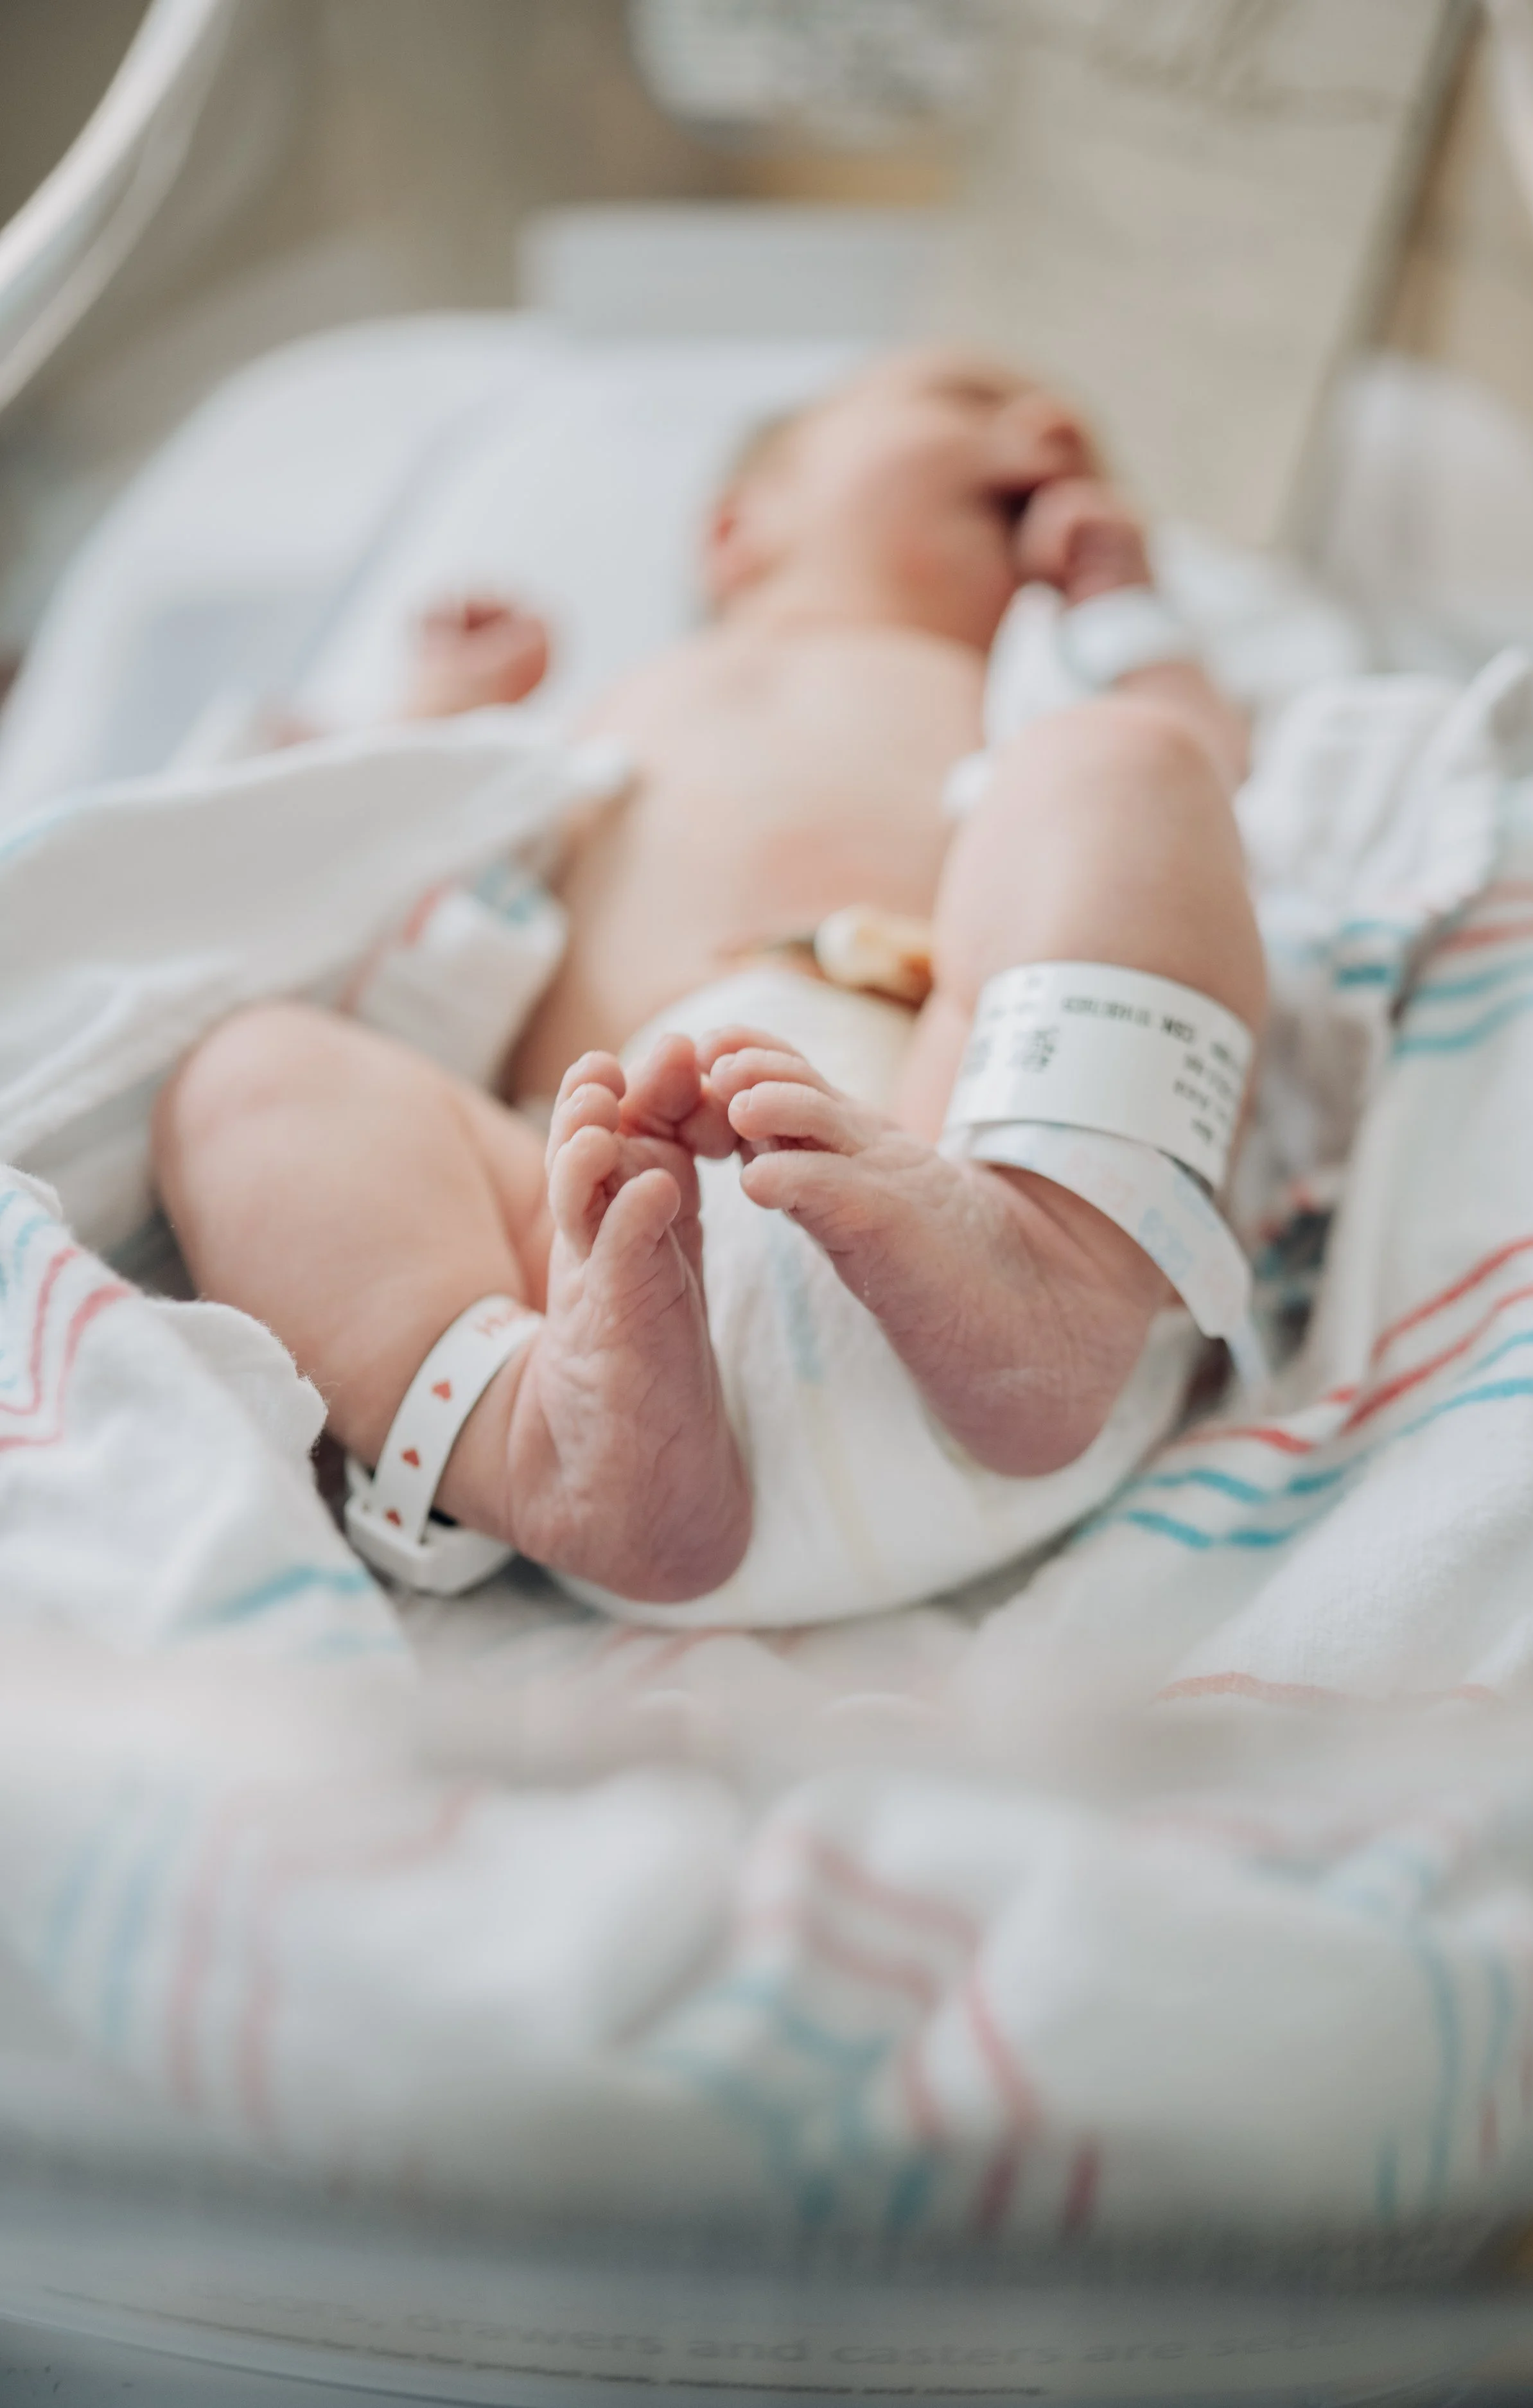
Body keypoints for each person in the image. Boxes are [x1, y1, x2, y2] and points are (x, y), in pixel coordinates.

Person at [152, 348, 1265, 1608]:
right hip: (599, 1294)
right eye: (965, 404)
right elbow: (351, 830)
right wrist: (437, 711)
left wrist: (1124, 617)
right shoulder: (598, 712)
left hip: (958, 1172)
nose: (1050, 427)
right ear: (740, 531)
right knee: (245, 1073)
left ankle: (1057, 1259)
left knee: (1123, 763)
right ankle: (525, 1440)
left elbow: (1209, 783)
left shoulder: (1021, 687)